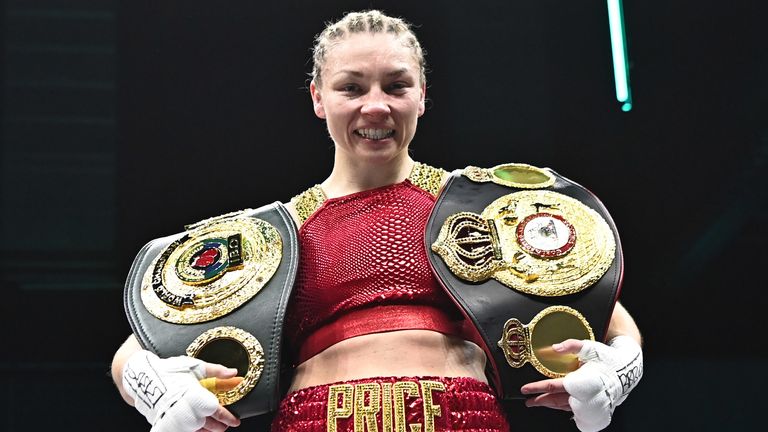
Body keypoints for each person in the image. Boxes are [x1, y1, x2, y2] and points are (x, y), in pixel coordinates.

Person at [112, 10, 642, 432]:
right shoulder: (277, 235)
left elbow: (612, 320)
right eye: (352, 88)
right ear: (319, 99)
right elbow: (137, 347)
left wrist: (616, 372)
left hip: (464, 419)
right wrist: (157, 388)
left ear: (423, 97)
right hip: (313, 421)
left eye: (395, 85)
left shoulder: (480, 208)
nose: (376, 106)